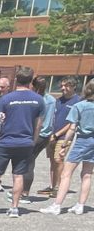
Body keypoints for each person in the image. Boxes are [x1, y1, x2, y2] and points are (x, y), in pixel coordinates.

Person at [0, 66, 44, 218]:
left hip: (5, 142)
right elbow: (39, 124)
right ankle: (14, 208)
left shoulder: (6, 98)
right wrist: (32, 140)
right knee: (18, 175)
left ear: (16, 80)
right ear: (30, 81)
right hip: (25, 142)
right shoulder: (39, 100)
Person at [40, 79, 94, 215]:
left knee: (66, 174)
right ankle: (81, 205)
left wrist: (64, 144)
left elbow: (72, 128)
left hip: (83, 141)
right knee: (87, 174)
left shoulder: (80, 106)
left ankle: (57, 205)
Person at [39, 77, 82, 197]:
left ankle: (59, 187)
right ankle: (52, 186)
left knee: (59, 160)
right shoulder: (58, 100)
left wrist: (57, 134)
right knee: (52, 161)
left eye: (66, 86)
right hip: (51, 135)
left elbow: (72, 123)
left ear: (74, 87)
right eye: (62, 85)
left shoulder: (77, 102)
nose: (63, 88)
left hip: (63, 136)